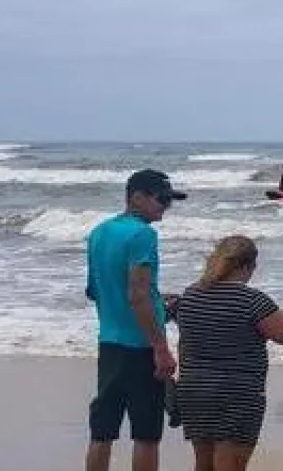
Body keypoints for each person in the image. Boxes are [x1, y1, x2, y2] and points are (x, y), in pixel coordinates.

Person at [85, 169, 186, 471]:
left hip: (109, 344)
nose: (165, 207)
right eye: (162, 200)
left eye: (169, 201)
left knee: (102, 431)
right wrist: (160, 348)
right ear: (137, 197)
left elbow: (96, 290)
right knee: (146, 433)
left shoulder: (99, 232)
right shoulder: (143, 234)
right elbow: (137, 294)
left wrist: (156, 298)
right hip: (141, 347)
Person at [172, 235, 283, 471]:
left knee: (204, 463)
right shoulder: (251, 300)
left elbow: (184, 342)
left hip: (194, 389)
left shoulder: (190, 295)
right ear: (247, 266)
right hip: (237, 392)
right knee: (231, 464)